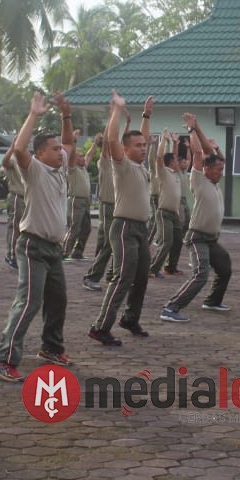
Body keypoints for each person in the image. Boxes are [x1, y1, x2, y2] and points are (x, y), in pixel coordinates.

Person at [0, 91, 77, 381]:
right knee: (29, 301)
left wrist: (66, 114)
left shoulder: (59, 169)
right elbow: (19, 149)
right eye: (54, 149)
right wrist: (33, 114)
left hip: (53, 248)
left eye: (59, 149)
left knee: (58, 301)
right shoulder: (35, 170)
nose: (60, 152)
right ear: (40, 154)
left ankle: (51, 348)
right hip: (33, 246)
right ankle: (4, 359)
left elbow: (69, 143)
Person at [88, 91, 154, 346]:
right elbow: (111, 138)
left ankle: (130, 318)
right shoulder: (122, 164)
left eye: (144, 146)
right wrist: (116, 109)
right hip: (124, 227)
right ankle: (100, 327)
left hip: (140, 229)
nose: (143, 148)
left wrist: (146, 115)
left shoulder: (140, 167)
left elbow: (142, 136)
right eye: (137, 146)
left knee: (141, 276)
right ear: (125, 150)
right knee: (123, 277)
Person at [161, 114, 231, 320]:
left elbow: (214, 156)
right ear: (206, 169)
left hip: (212, 240)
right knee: (201, 273)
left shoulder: (214, 182)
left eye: (221, 170)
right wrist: (192, 130)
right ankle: (171, 308)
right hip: (197, 238)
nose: (221, 172)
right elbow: (199, 153)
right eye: (218, 170)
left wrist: (198, 127)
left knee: (225, 268)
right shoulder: (199, 179)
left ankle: (212, 301)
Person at [83, 127, 115, 291]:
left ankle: (110, 274)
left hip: (115, 206)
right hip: (108, 205)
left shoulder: (117, 164)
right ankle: (92, 276)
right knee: (109, 242)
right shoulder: (104, 162)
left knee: (107, 242)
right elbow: (108, 143)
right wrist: (111, 120)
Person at [149, 130, 184, 279]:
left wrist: (175, 143)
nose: (179, 162)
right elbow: (159, 157)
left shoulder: (176, 173)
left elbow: (173, 155)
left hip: (174, 214)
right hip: (164, 213)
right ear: (170, 162)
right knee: (166, 242)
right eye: (176, 160)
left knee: (178, 241)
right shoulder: (163, 172)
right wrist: (163, 140)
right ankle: (152, 269)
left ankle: (170, 267)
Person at [62, 132, 96, 260]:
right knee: (74, 229)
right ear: (75, 159)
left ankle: (77, 252)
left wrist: (95, 142)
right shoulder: (72, 168)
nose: (83, 158)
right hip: (75, 201)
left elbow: (90, 154)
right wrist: (73, 142)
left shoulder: (83, 168)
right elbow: (71, 155)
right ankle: (64, 253)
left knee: (86, 228)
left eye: (83, 156)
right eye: (80, 156)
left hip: (85, 201)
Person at [2, 144, 25, 271]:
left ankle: (19, 254)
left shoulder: (25, 157)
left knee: (24, 229)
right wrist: (12, 147)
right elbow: (4, 162)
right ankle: (11, 256)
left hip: (26, 198)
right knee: (15, 227)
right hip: (17, 196)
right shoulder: (13, 157)